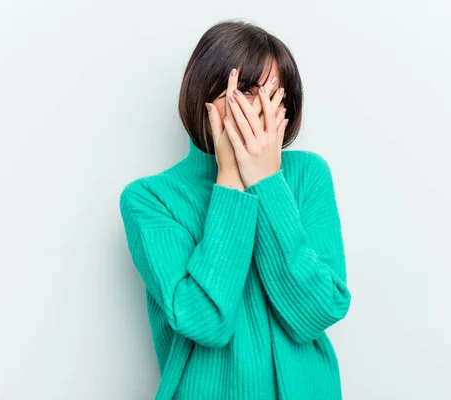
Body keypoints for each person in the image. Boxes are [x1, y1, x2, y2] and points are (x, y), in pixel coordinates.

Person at [119, 19, 352, 400]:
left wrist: (267, 181)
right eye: (244, 89)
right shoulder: (150, 198)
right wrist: (231, 180)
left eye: (273, 95)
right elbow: (205, 321)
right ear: (204, 93)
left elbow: (318, 310)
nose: (259, 106)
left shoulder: (308, 175)